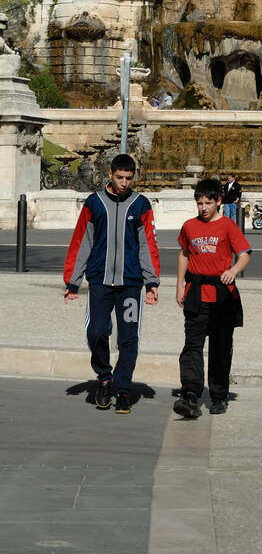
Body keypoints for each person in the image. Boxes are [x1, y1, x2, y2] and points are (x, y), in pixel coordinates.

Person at [63, 153, 160, 414]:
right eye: (120, 177)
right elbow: (82, 241)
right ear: (110, 174)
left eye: (129, 178)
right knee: (96, 331)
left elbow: (147, 245)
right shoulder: (94, 203)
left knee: (128, 338)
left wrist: (151, 282)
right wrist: (73, 282)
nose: (124, 182)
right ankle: (104, 378)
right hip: (100, 282)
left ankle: (123, 388)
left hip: (130, 284)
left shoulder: (141, 205)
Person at [174, 178, 251, 419]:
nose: (203, 208)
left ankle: (218, 395)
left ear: (219, 201)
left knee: (220, 347)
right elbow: (184, 255)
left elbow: (245, 254)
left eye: (208, 203)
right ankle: (190, 394)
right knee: (192, 345)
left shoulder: (228, 226)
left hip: (222, 293)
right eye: (199, 203)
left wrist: (234, 270)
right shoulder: (189, 226)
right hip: (196, 291)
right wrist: (179, 286)